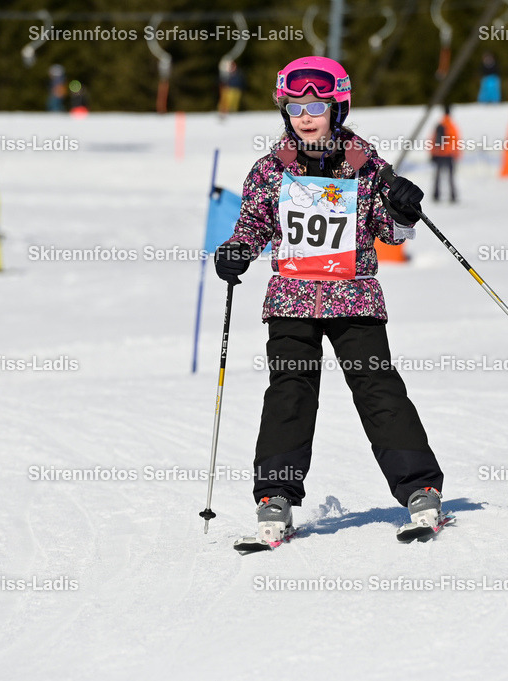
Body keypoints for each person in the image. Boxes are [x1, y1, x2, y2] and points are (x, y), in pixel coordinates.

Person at [213, 56, 446, 543]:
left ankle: (419, 488)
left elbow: (389, 230)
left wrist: (403, 211)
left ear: (338, 107)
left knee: (378, 389)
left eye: (315, 105)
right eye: (293, 106)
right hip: (292, 301)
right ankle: (275, 495)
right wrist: (236, 250)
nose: (304, 115)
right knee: (290, 393)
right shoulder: (270, 170)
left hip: (354, 298)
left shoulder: (367, 167)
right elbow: (255, 225)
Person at [429, 103, 460, 202]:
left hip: (439, 154)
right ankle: (453, 195)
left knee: (437, 176)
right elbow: (455, 140)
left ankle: (436, 195)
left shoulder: (439, 124)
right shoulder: (452, 126)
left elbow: (433, 139)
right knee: (450, 177)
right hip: (449, 154)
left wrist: (432, 152)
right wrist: (456, 154)